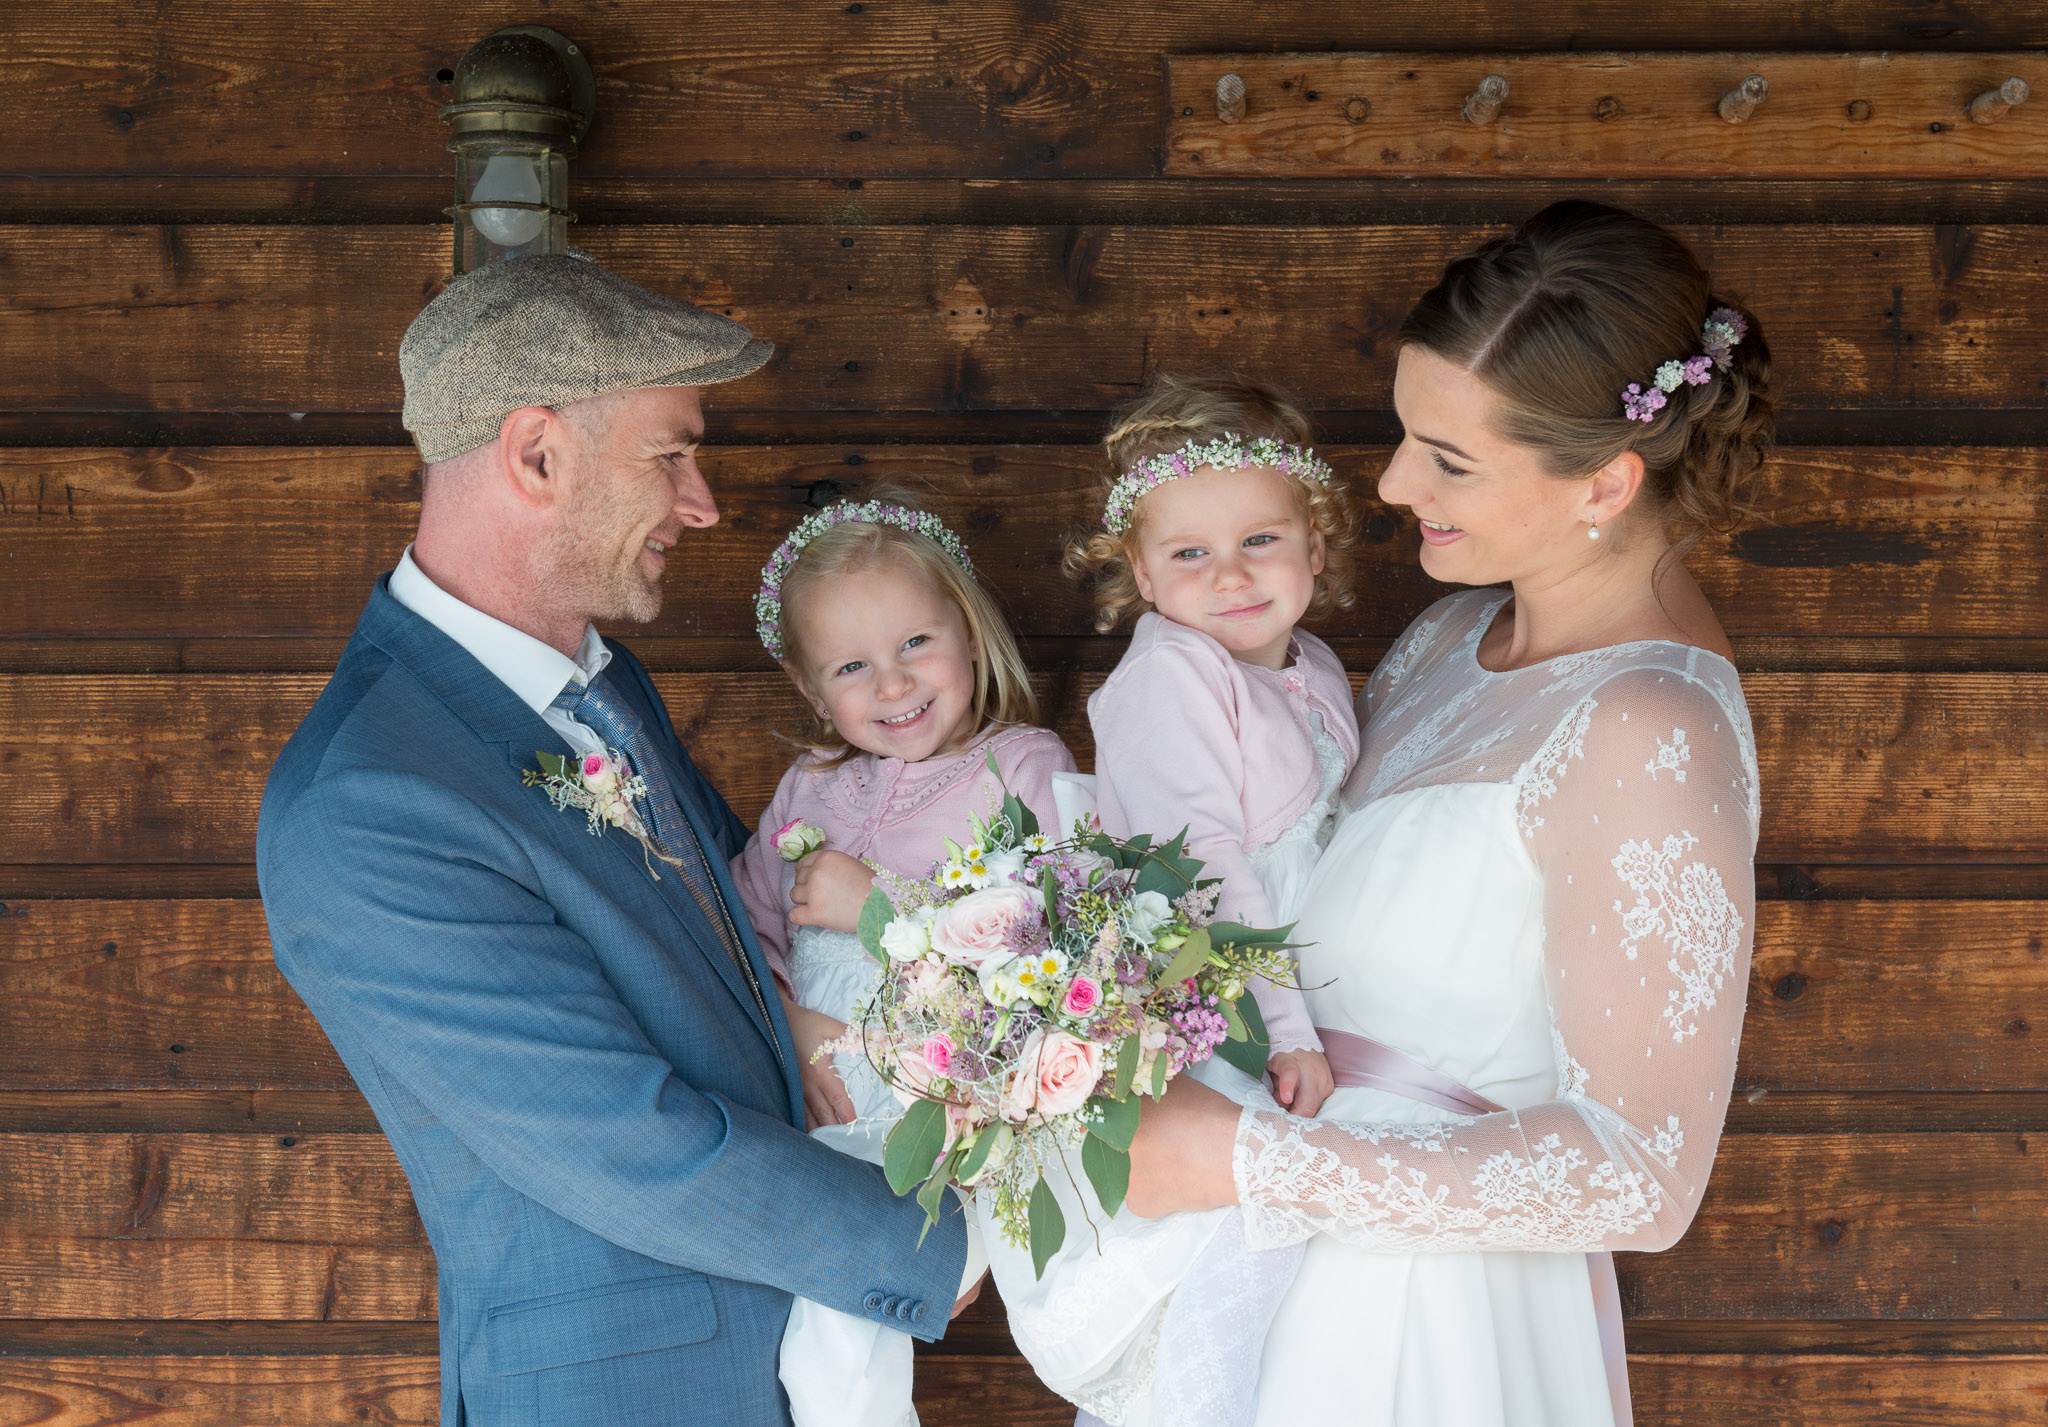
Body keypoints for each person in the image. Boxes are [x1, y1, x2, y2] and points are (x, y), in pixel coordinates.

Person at [256, 253, 980, 1427]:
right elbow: (621, 1137)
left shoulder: (598, 684)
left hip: (796, 1357)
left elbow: (731, 940)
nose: (699, 502)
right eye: (670, 454)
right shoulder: (365, 799)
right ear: (536, 454)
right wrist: (938, 1237)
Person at [1122, 200, 1769, 1426]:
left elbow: (1642, 1171)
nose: (1389, 480)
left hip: (1423, 1328)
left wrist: (1249, 1159)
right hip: (1274, 1281)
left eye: (1448, 459)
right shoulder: (1444, 638)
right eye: (1405, 434)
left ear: (1605, 479)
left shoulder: (1645, 726)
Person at [987, 375, 1364, 1426]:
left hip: (1289, 1004)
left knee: (1284, 1262)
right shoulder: (1169, 678)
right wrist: (1284, 1028)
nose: (1230, 574)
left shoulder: (1313, 666)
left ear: (1315, 545)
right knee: (1231, 1234)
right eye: (1190, 553)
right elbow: (1199, 867)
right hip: (1209, 1008)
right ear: (1141, 571)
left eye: (1259, 539)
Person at [727, 494, 1075, 1427]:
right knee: (803, 1332)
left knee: (839, 1336)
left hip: (953, 1113)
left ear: (968, 629)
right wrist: (788, 1024)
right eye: (852, 665)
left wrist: (877, 908)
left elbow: (1057, 950)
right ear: (810, 690)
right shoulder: (812, 784)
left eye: (916, 642)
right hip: (827, 1103)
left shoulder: (1023, 769)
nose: (893, 684)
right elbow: (744, 930)